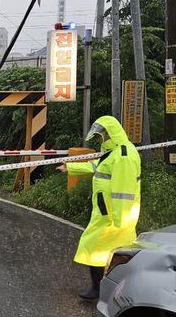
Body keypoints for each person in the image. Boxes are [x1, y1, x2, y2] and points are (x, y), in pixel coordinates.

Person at [57, 116, 141, 300]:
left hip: (114, 217)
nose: (101, 138)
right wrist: (71, 167)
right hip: (107, 213)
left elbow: (124, 192)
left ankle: (106, 289)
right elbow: (98, 167)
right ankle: (104, 288)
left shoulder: (124, 156)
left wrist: (120, 221)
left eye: (103, 135)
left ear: (112, 134)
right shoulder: (114, 152)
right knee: (106, 251)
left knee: (104, 250)